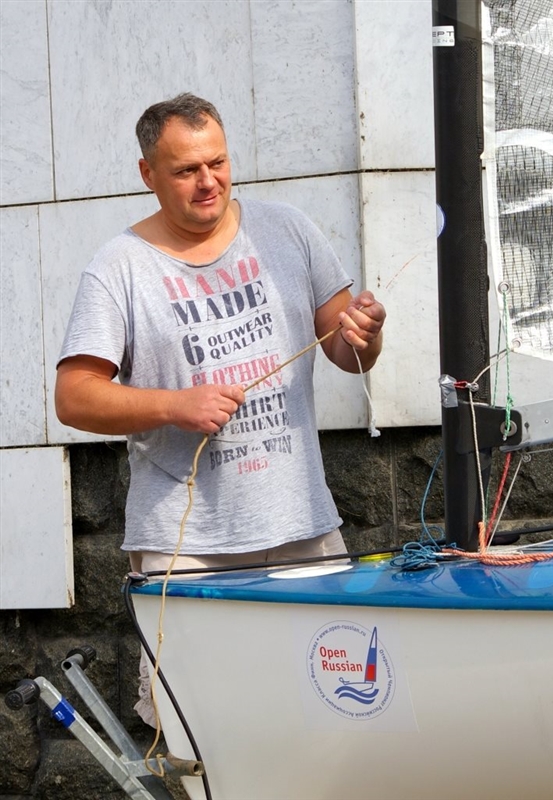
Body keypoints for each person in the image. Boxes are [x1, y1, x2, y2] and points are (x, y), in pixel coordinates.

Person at [55, 92, 385, 724]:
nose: (208, 182)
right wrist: (174, 405)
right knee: (199, 730)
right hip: (189, 549)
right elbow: (74, 396)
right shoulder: (119, 268)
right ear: (148, 174)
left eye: (218, 163)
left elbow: (349, 353)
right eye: (186, 170)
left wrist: (365, 335)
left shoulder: (288, 230)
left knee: (335, 713)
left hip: (301, 527)